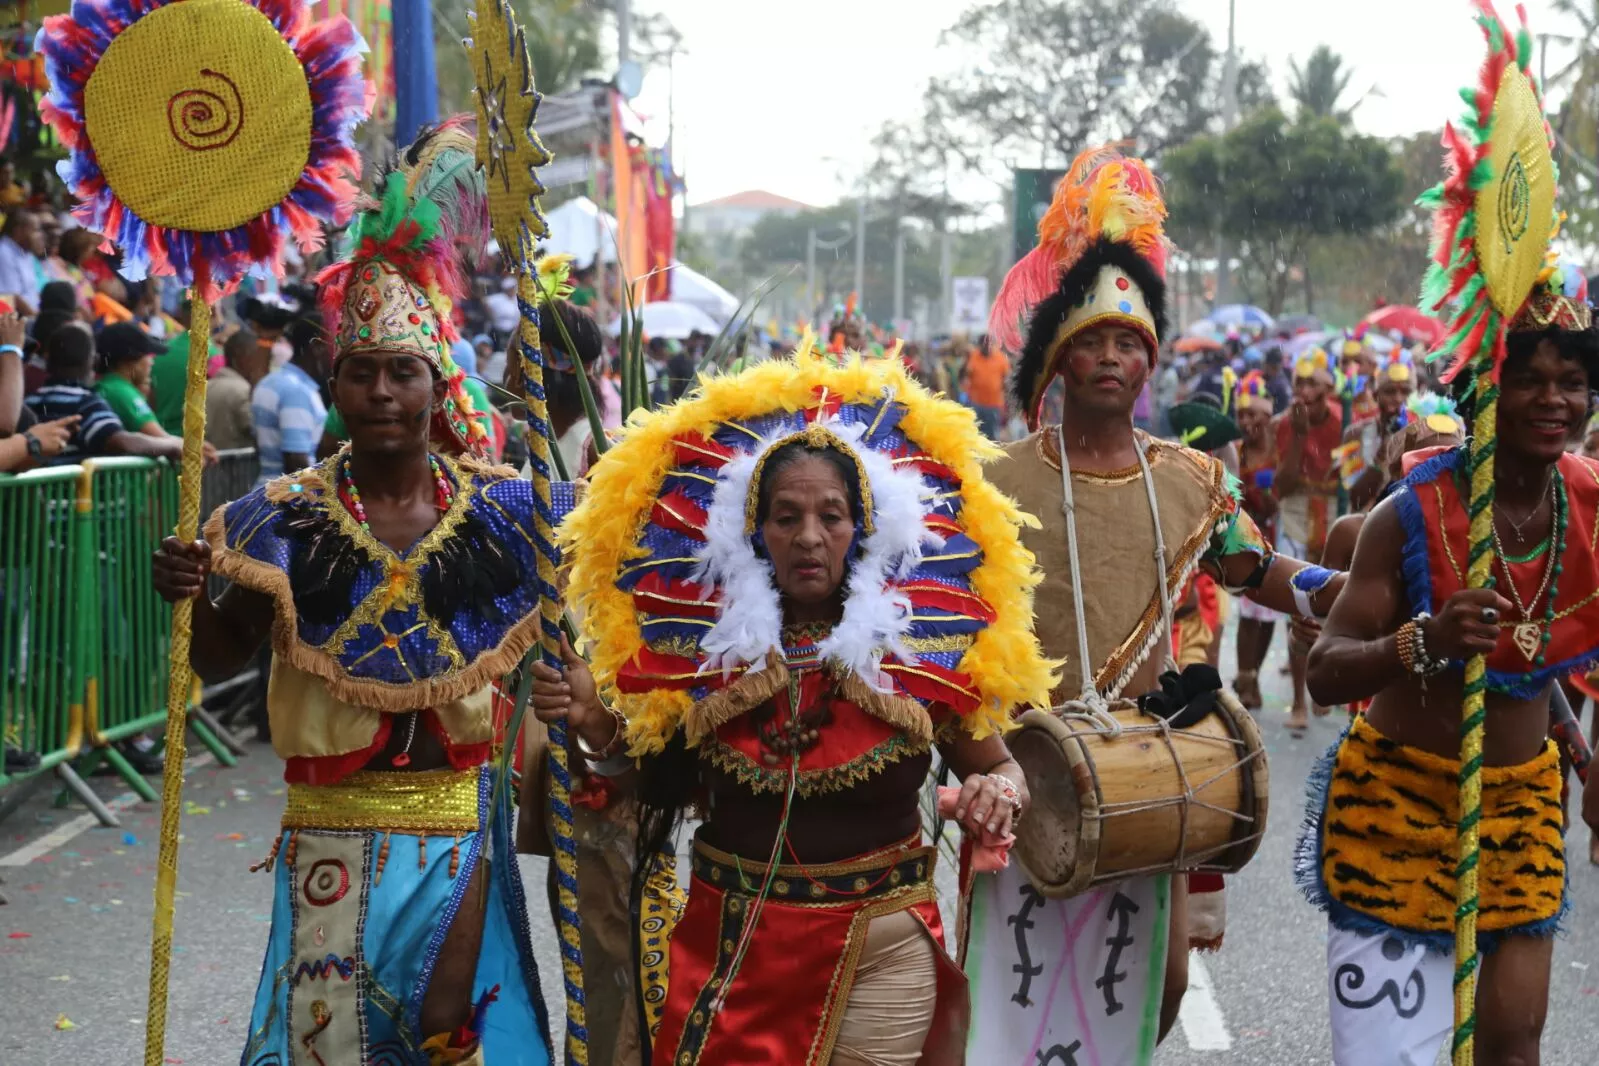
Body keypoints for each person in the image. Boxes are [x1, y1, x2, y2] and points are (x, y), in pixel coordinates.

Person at [149, 121, 552, 1066]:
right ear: (337, 384)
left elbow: (581, 620)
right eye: (361, 372)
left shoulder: (503, 513)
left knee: (449, 1024)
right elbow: (219, 658)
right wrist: (186, 596)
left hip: (454, 816)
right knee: (330, 1043)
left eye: (401, 372)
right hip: (333, 824)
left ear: (432, 381)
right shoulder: (276, 519)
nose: (381, 391)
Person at [540, 346, 1056, 1064]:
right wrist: (597, 724)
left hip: (878, 949)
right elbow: (638, 785)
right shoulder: (700, 658)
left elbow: (1003, 765)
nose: (808, 537)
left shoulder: (919, 655)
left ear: (861, 532)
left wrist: (996, 791)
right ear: (754, 535)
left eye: (831, 517)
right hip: (733, 947)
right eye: (785, 518)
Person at [971, 145, 1345, 1064]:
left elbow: (1256, 570)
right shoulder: (990, 479)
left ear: (1149, 361)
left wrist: (1343, 592)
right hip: (1022, 761)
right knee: (1008, 996)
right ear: (1057, 359)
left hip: (1145, 764)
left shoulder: (1189, 479)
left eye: (1128, 343)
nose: (1110, 357)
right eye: (1091, 340)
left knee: (1155, 986)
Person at [1302, 18, 1593, 1058]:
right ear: (1486, 387)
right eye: (1532, 378)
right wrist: (1420, 640)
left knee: (1515, 1039)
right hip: (1397, 809)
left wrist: (1577, 747)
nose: (1556, 400)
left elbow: (1534, 656)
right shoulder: (1407, 513)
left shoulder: (1588, 510)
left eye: (1574, 380)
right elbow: (1327, 665)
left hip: (1519, 812)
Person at [1273, 346, 1343, 733]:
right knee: (1300, 608)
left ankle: (1326, 688)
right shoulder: (1285, 423)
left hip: (1334, 512)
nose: (1303, 389)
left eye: (1311, 382)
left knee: (1335, 610)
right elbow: (1281, 487)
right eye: (1299, 381)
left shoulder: (1344, 420)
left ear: (1328, 389)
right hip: (1297, 514)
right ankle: (1299, 700)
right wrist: (1298, 437)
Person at [24, 321, 183, 465]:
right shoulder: (86, 402)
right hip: (78, 495)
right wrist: (172, 445)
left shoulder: (30, 401)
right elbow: (120, 441)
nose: (151, 361)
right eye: (147, 356)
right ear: (92, 361)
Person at [1230, 371, 1279, 709]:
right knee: (1249, 614)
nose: (1246, 422)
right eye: (1241, 416)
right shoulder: (1235, 451)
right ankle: (1245, 677)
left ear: (1267, 416)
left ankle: (1254, 675)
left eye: (1253, 415)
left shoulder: (1280, 446)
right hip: (1245, 541)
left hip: (1278, 536)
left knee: (1269, 616)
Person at [251, 303, 329, 484]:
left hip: (268, 493)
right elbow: (295, 463)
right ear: (316, 347)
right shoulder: (297, 391)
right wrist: (302, 503)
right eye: (335, 346)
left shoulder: (272, 381)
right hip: (286, 502)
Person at [1342, 352, 1416, 511]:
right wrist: (1381, 455)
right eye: (1390, 392)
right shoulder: (1354, 434)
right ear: (1375, 396)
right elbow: (1356, 499)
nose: (1398, 399)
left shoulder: (1425, 436)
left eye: (1406, 392)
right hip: (1361, 527)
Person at [205, 327, 263, 450]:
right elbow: (258, 432)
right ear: (241, 357)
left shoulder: (205, 387)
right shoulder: (243, 390)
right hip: (239, 467)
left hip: (207, 466)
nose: (261, 362)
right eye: (257, 356)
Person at [962, 338, 1009, 438]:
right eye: (984, 345)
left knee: (992, 434)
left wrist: (1006, 397)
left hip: (994, 403)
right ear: (979, 346)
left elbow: (1007, 377)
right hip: (976, 402)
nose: (987, 347)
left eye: (988, 345)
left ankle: (991, 453)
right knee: (977, 433)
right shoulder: (974, 356)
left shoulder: (1000, 358)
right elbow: (966, 375)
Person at [0, 209, 43, 315]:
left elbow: (33, 291)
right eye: (35, 230)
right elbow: (12, 296)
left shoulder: (26, 253)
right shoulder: (4, 252)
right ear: (19, 231)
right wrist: (37, 319)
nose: (39, 235)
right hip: (19, 320)